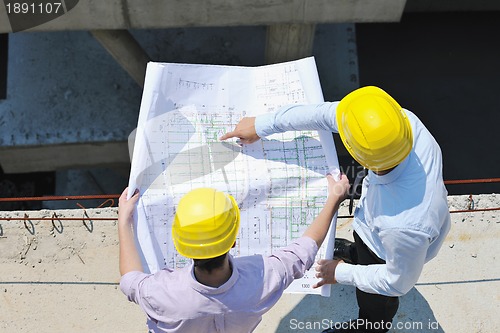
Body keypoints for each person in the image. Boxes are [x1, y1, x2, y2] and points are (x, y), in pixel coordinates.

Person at [220, 86, 451, 333]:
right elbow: (325, 113)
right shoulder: (403, 124)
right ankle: (356, 253)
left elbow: (398, 281)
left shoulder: (404, 226)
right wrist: (263, 125)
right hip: (376, 228)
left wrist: (340, 273)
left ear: (358, 157)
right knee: (361, 247)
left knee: (375, 303)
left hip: (385, 250)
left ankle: (370, 327)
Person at [118, 173, 350, 332]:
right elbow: (304, 252)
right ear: (232, 242)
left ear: (184, 247)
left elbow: (129, 279)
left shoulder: (160, 292)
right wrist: (333, 199)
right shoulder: (262, 278)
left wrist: (123, 219)